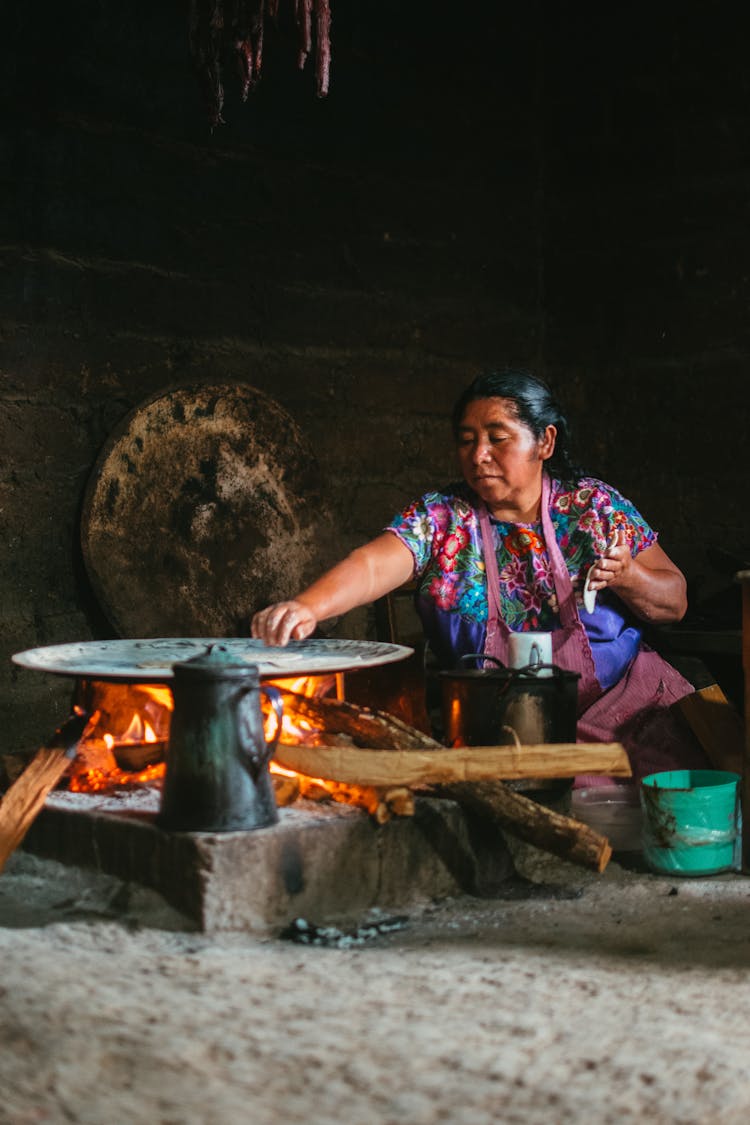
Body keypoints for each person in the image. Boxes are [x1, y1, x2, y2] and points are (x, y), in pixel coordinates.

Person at [252, 369, 708, 782]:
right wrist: (307, 606)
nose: (479, 454)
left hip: (626, 715)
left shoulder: (594, 509)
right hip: (500, 735)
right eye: (467, 440)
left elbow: (676, 601)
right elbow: (374, 564)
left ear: (545, 442)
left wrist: (629, 576)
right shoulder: (444, 519)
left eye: (497, 437)